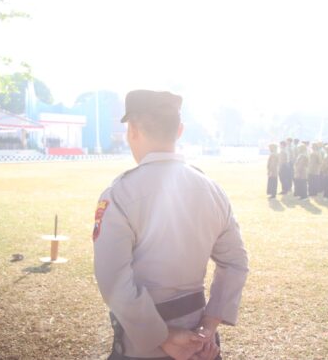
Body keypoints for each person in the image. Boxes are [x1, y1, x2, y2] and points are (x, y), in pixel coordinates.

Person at [93, 90, 249, 360]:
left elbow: (114, 281)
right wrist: (208, 326)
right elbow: (235, 263)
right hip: (201, 344)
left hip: (140, 348)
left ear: (131, 130)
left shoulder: (119, 194)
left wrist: (163, 338)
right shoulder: (212, 190)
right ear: (179, 130)